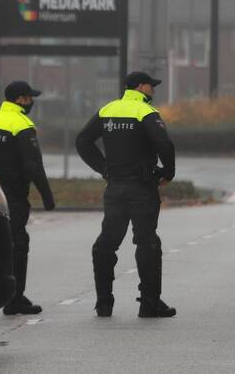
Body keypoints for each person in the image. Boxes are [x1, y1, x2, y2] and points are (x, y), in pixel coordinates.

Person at [75, 71, 177, 318]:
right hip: (142, 188)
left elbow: (82, 141)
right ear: (141, 87)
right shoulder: (145, 112)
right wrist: (168, 173)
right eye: (151, 86)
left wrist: (103, 168)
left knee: (106, 243)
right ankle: (149, 304)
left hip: (115, 188)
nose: (153, 91)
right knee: (147, 242)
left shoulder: (107, 110)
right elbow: (165, 144)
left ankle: (103, 303)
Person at [0, 80, 56, 316]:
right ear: (21, 99)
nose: (32, 103)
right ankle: (15, 299)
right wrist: (47, 197)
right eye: (31, 98)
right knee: (17, 245)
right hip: (11, 196)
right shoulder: (22, 124)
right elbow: (33, 165)